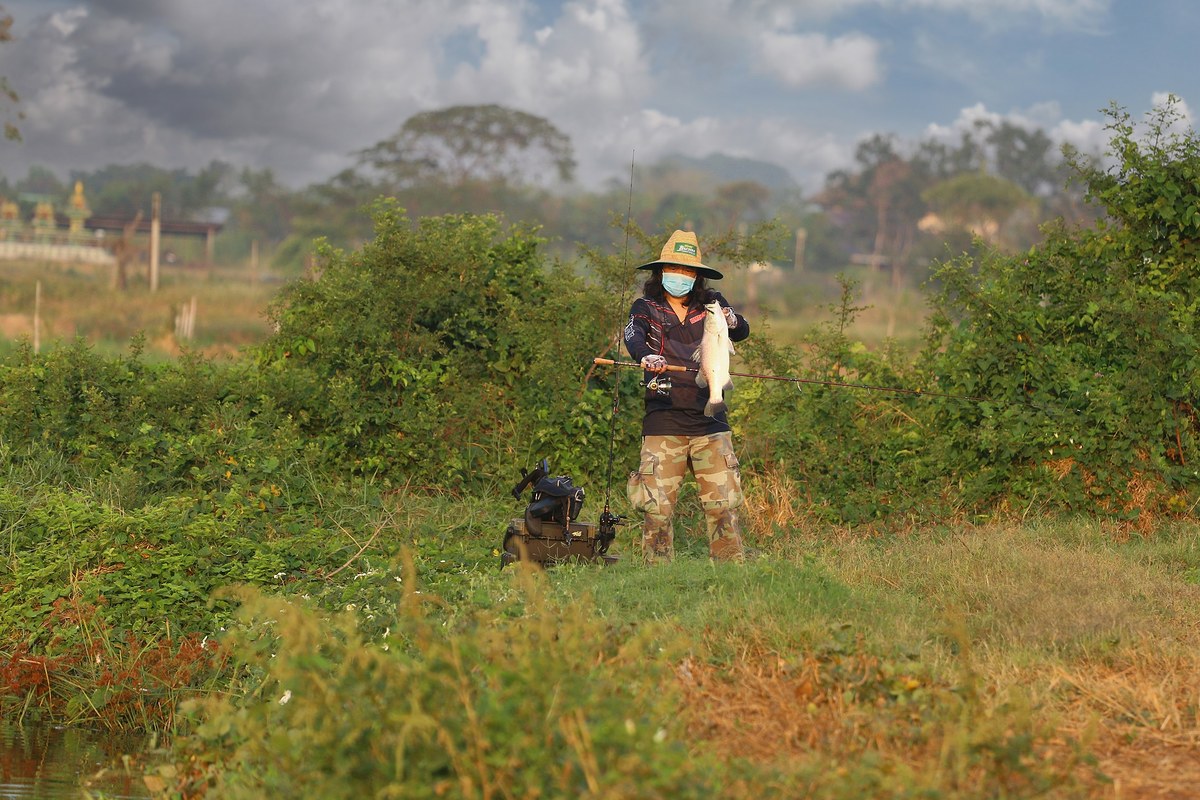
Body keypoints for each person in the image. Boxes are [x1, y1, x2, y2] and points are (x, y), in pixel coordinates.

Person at [623, 230, 750, 562]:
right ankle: (657, 576)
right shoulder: (646, 307)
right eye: (674, 269)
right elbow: (633, 335)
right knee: (657, 511)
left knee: (722, 508)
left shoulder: (712, 304)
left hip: (710, 424)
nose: (680, 276)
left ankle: (730, 575)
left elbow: (741, 330)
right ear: (662, 271)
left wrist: (732, 319)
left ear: (697, 276)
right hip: (663, 421)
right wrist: (644, 358)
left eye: (687, 271)